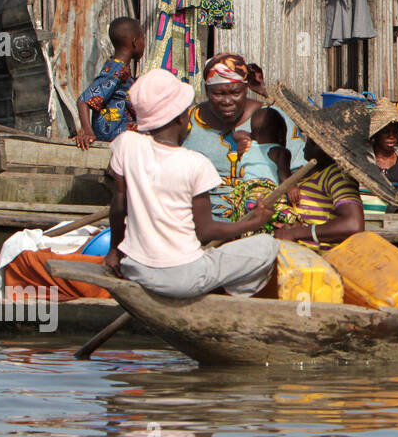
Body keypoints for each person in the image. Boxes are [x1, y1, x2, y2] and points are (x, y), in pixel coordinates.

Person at [104, 68, 278, 298]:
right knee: (267, 245)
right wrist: (254, 222)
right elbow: (206, 232)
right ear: (181, 118)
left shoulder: (125, 144)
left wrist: (114, 250)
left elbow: (119, 204)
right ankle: (227, 297)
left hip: (134, 269)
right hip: (183, 279)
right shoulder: (196, 163)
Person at [182, 53, 280, 216]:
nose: (227, 101)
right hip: (203, 217)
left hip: (261, 215)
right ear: (207, 91)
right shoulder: (187, 121)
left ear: (246, 89)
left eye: (235, 93)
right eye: (219, 94)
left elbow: (296, 170)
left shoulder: (271, 118)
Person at [271, 138, 365, 253]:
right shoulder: (305, 173)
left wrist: (295, 233)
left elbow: (353, 224)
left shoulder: (337, 175)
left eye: (313, 142)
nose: (306, 146)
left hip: (318, 260)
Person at [73, 17, 145, 148]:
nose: (144, 43)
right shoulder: (117, 69)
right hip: (114, 134)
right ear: (134, 42)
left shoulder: (121, 68)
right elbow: (83, 100)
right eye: (143, 39)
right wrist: (88, 132)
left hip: (121, 131)